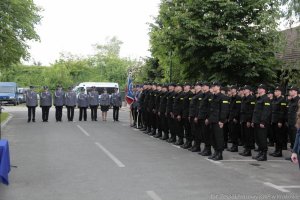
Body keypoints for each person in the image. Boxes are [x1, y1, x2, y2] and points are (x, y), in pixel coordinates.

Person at [207, 82, 230, 161]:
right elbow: (211, 110)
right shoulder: (213, 96)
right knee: (213, 137)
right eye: (212, 86)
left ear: (218, 87)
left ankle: (220, 154)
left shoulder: (223, 97)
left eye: (214, 86)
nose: (213, 87)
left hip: (218, 121)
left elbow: (224, 110)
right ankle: (216, 152)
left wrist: (221, 121)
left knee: (218, 138)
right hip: (212, 120)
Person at [252, 84, 272, 161]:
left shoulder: (266, 99)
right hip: (257, 122)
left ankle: (264, 155)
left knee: (262, 138)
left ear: (263, 90)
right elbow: (256, 111)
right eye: (258, 88)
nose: (258, 89)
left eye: (260, 88)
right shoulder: (259, 99)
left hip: (262, 123)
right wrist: (253, 121)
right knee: (258, 138)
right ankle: (260, 153)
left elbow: (266, 111)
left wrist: (263, 121)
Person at [269, 86, 287, 157]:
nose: (275, 92)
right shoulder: (275, 100)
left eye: (276, 91)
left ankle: (279, 152)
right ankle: (276, 150)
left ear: (280, 92)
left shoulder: (282, 100)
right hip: (274, 121)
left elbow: (282, 112)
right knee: (275, 137)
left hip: (278, 122)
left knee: (279, 137)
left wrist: (280, 121)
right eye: (275, 91)